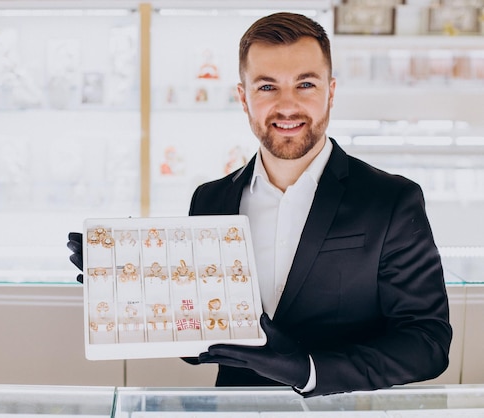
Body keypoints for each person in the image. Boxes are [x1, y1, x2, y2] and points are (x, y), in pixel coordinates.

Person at [68, 12, 451, 397]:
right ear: (243, 97)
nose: (288, 106)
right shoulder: (211, 199)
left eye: (305, 84)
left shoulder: (390, 200)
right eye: (267, 87)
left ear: (331, 92)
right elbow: (201, 343)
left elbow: (427, 343)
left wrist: (309, 370)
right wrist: (130, 290)